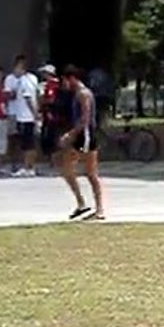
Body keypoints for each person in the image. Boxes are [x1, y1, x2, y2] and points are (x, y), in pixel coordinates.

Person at [59, 65, 105, 220]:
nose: (64, 84)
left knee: (89, 173)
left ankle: (96, 208)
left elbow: (85, 118)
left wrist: (70, 134)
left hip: (85, 135)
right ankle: (84, 204)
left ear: (71, 78)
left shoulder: (83, 94)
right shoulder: (78, 93)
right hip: (83, 134)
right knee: (71, 170)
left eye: (64, 80)